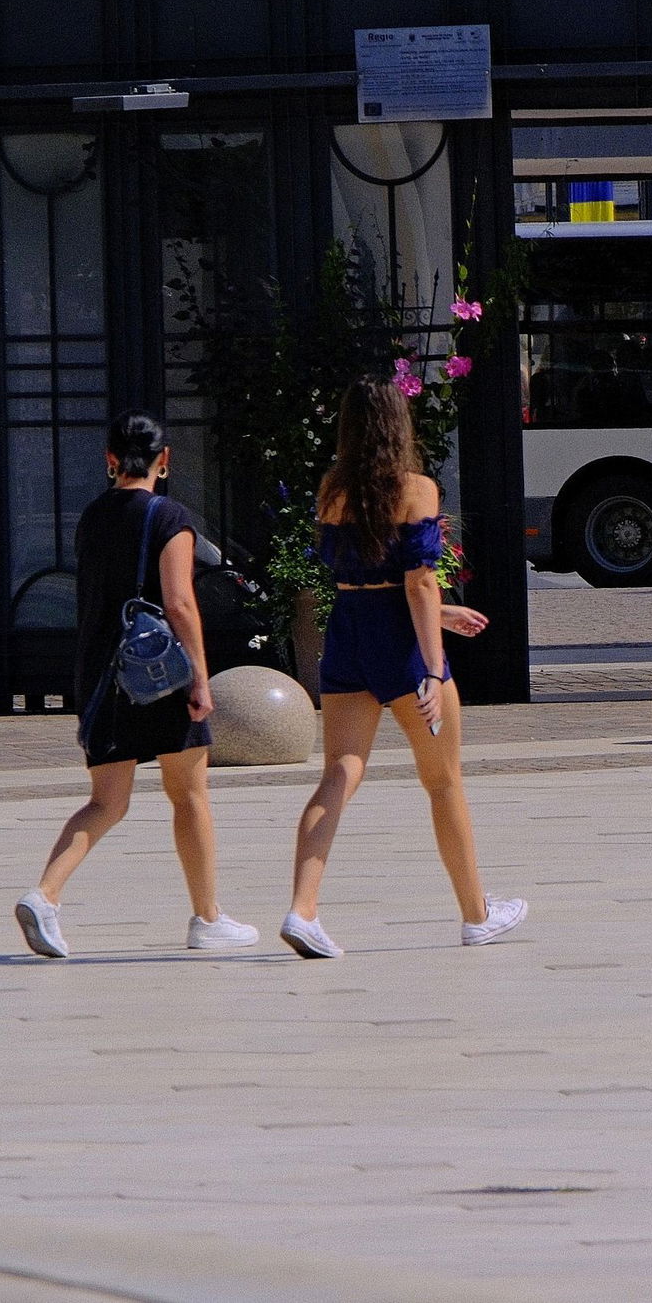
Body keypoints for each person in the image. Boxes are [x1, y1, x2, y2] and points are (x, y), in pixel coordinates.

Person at [280, 379, 529, 957]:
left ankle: (303, 909)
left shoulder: (330, 490)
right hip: (403, 648)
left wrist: (440, 614)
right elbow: (416, 580)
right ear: (399, 425)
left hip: (347, 635)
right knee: (442, 782)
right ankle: (476, 914)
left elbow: (365, 579)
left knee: (340, 771)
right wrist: (434, 667)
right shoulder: (417, 488)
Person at [14, 411, 259, 958]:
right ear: (164, 461)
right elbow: (178, 602)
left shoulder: (92, 517)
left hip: (101, 676)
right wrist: (199, 675)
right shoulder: (170, 516)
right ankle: (207, 917)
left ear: (109, 461)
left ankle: (45, 894)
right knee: (189, 795)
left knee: (105, 802)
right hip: (158, 675)